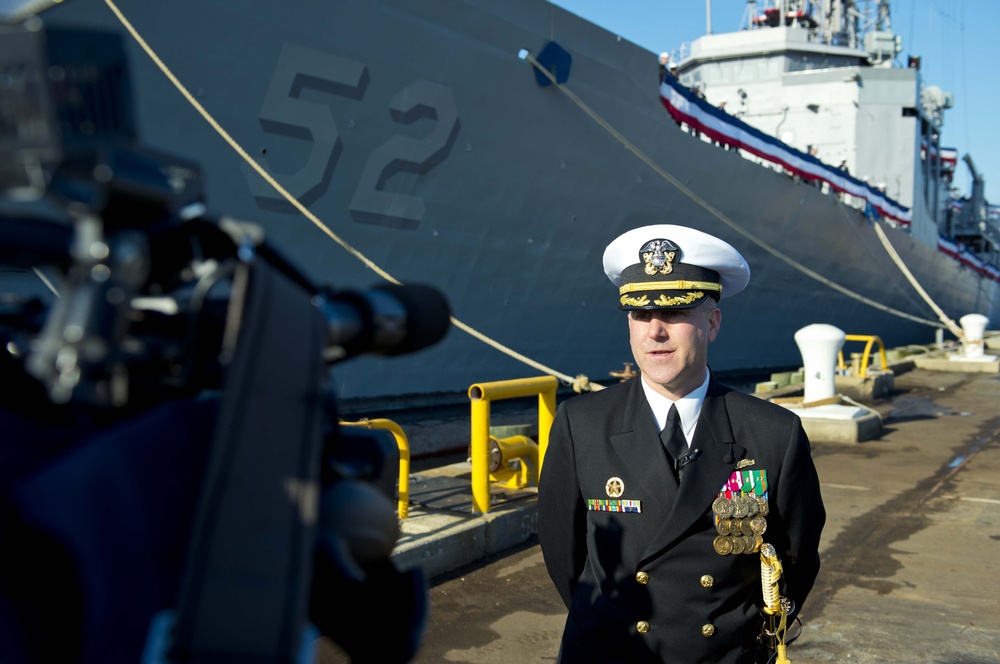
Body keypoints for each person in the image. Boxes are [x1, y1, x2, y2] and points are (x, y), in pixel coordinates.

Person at [538, 224, 826, 664]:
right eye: (639, 314)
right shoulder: (581, 425)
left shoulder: (773, 434)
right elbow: (564, 552)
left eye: (674, 313)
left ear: (712, 323)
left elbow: (796, 561)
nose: (655, 331)